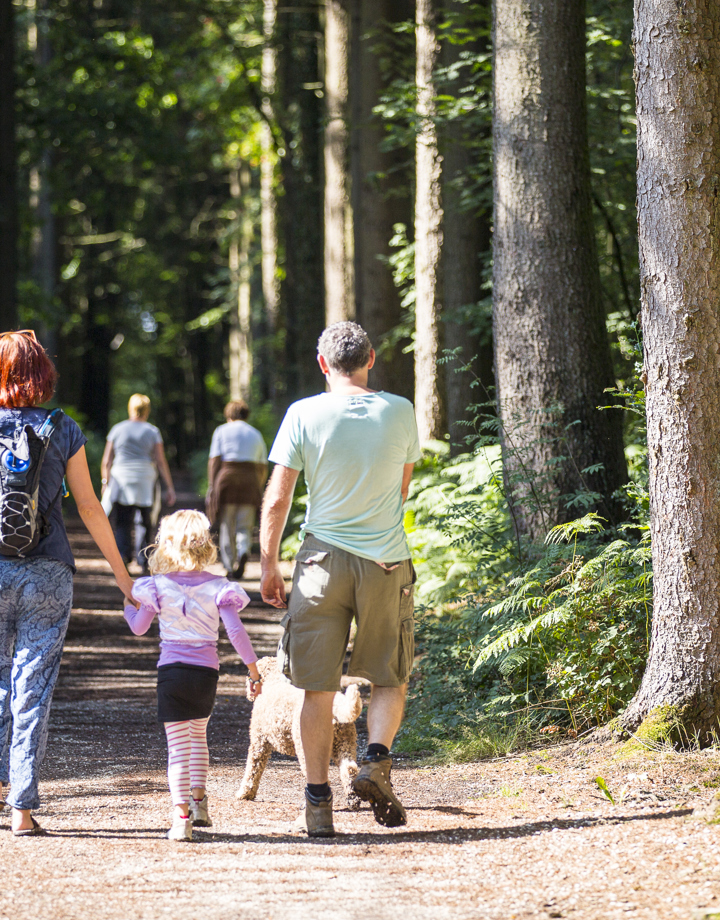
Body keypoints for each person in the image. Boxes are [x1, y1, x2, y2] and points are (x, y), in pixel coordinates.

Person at [260, 321, 421, 838]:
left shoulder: (302, 413)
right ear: (370, 359)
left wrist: (268, 562)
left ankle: (317, 804)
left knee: (316, 687)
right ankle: (375, 760)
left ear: (322, 364)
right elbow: (401, 489)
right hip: (385, 563)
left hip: (319, 566)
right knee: (390, 676)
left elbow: (279, 498)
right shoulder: (401, 410)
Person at [0, 330, 135, 836]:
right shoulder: (63, 427)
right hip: (49, 571)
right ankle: (22, 809)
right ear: (43, 375)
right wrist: (123, 577)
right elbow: (90, 507)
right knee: (32, 686)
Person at [123, 509, 262, 841]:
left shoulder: (156, 587)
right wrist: (253, 671)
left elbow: (139, 628)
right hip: (205, 675)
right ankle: (200, 805)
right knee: (198, 737)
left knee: (177, 748)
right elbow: (236, 633)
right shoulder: (219, 587)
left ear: (166, 545)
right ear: (206, 545)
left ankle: (181, 818)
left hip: (172, 674)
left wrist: (128, 607)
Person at [101, 393, 176, 572]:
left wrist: (105, 482)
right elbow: (160, 461)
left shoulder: (117, 429)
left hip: (121, 479)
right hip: (145, 480)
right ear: (147, 410)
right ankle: (144, 560)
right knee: (145, 521)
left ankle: (123, 557)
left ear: (130, 408)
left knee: (122, 521)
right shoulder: (153, 431)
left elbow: (106, 460)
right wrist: (169, 487)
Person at [205, 400, 267, 580]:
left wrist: (212, 486)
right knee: (244, 525)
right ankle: (243, 551)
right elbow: (262, 465)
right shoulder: (255, 434)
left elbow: (214, 460)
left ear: (228, 414)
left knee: (227, 524)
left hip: (227, 481)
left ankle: (229, 564)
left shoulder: (221, 431)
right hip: (250, 481)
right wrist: (258, 485)